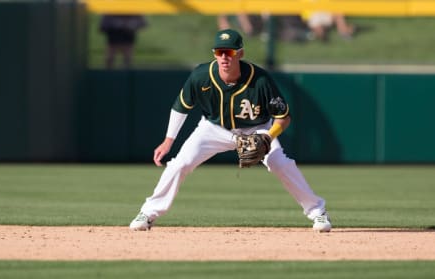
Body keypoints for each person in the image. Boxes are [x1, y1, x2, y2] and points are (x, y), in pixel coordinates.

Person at [129, 29, 332, 233]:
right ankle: (148, 213)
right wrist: (168, 141)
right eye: (219, 52)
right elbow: (181, 106)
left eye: (230, 52)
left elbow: (283, 117)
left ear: (240, 53)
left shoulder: (260, 80)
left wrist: (268, 136)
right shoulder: (201, 76)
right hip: (213, 129)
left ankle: (318, 212)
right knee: (180, 163)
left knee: (280, 163)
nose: (224, 57)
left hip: (257, 128)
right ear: (214, 53)